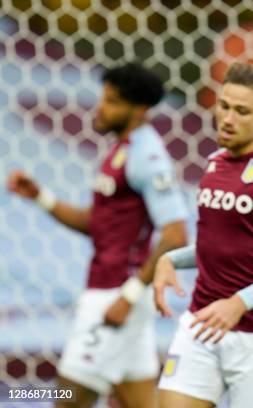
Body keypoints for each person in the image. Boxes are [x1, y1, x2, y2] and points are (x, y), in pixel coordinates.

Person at [6, 63, 188, 408]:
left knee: (66, 397)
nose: (100, 108)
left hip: (114, 299)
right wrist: (41, 197)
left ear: (139, 110)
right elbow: (99, 223)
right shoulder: (122, 150)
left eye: (112, 102)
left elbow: (176, 234)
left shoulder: (147, 156)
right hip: (114, 298)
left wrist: (129, 295)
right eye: (103, 98)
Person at [153, 62, 253, 408]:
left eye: (242, 111)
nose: (228, 118)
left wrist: (239, 303)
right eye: (224, 106)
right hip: (202, 321)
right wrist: (171, 259)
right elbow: (221, 246)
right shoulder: (213, 163)